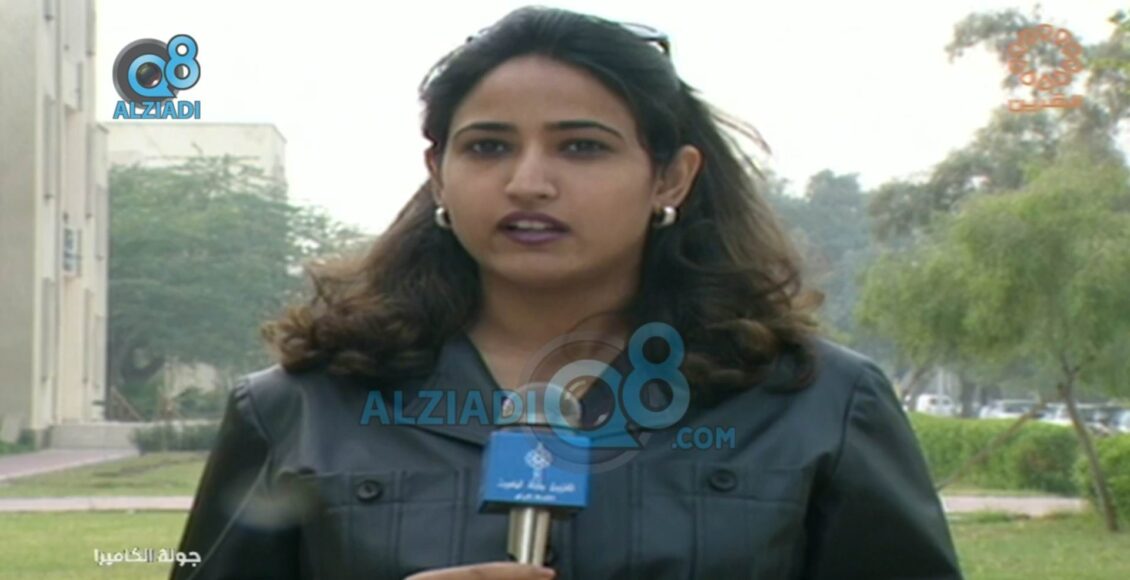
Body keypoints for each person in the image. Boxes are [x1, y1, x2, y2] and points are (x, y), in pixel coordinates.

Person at [170, 6, 963, 580]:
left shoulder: (816, 403)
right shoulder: (301, 408)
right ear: (438, 174)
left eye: (582, 147)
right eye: (488, 147)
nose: (528, 182)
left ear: (670, 177)